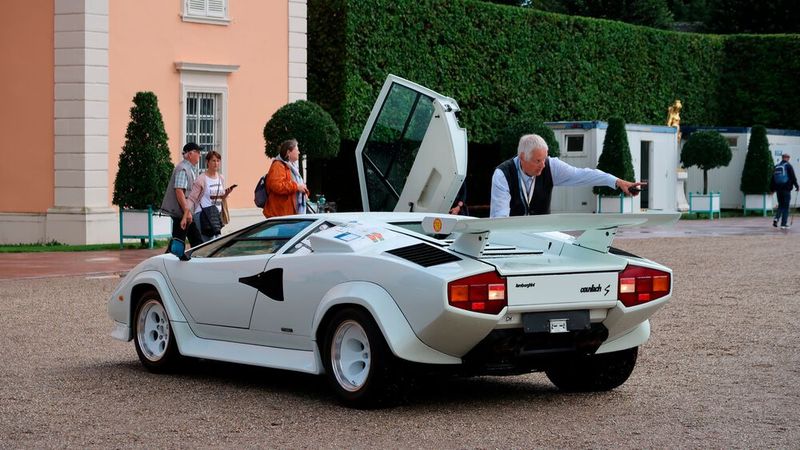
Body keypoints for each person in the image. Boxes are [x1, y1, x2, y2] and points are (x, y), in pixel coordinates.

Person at [490, 134, 644, 217]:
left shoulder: (551, 166)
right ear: (522, 157)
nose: (543, 165)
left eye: (544, 158)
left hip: (541, 235)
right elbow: (500, 217)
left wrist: (616, 181)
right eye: (538, 161)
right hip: (509, 237)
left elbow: (583, 175)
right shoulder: (502, 174)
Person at [181, 151, 236, 241]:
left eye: (218, 161)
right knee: (208, 243)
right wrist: (185, 217)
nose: (216, 163)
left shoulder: (221, 177)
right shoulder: (201, 179)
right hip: (203, 214)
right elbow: (191, 198)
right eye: (213, 161)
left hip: (215, 215)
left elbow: (220, 197)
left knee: (216, 243)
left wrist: (226, 193)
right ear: (207, 162)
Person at [161, 142, 203, 248]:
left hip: (185, 213)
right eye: (198, 152)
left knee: (193, 241)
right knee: (181, 242)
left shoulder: (188, 168)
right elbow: (179, 191)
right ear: (190, 154)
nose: (200, 155)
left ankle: (195, 259)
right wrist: (186, 212)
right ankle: (168, 260)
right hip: (182, 213)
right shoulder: (183, 169)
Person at [262, 138, 310, 218]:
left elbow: (297, 187)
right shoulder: (278, 166)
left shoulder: (292, 167)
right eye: (297, 150)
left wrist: (304, 192)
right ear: (288, 152)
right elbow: (277, 186)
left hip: (290, 213)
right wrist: (297, 187)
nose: (299, 152)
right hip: (281, 213)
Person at [770, 153, 799, 229]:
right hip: (786, 189)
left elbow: (772, 179)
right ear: (788, 158)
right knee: (786, 207)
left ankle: (776, 218)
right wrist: (797, 186)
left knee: (781, 205)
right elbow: (793, 177)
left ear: (782, 158)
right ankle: (783, 224)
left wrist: (772, 189)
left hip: (778, 190)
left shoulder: (776, 166)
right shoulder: (788, 166)